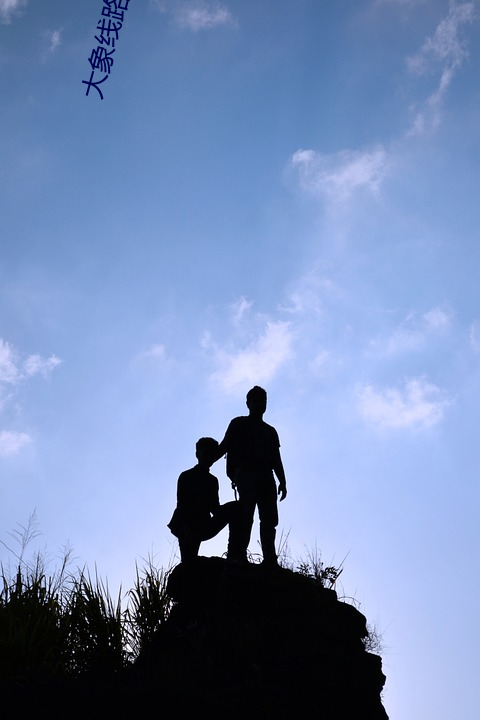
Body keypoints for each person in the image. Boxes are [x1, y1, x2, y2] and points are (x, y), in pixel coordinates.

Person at [216, 386, 287, 566]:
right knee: (245, 515)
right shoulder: (238, 423)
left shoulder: (270, 431)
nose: (260, 404)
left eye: (263, 400)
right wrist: (207, 461)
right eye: (255, 400)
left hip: (266, 476)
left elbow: (276, 459)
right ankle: (239, 554)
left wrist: (282, 481)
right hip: (246, 474)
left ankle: (270, 558)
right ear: (248, 403)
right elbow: (224, 446)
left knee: (269, 519)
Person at [167, 437, 243, 564]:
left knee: (236, 507)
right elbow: (182, 507)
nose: (209, 457)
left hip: (204, 524)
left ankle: (234, 553)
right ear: (198, 454)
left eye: (212, 454)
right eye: (206, 453)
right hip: (186, 525)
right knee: (188, 562)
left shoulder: (212, 481)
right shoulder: (186, 476)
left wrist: (232, 509)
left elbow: (215, 508)